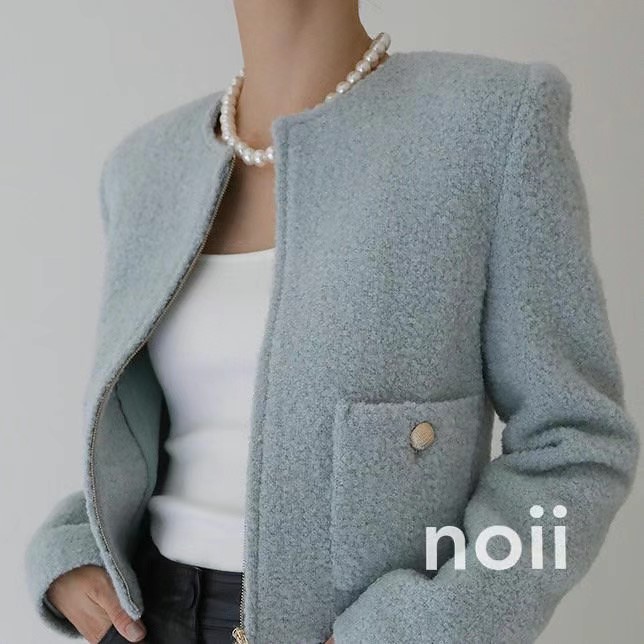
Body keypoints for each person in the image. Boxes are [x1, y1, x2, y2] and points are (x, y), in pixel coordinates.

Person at [25, 1, 639, 643]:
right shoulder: (143, 169)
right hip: (145, 614)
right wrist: (71, 545)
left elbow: (578, 445)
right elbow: (152, 435)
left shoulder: (490, 122)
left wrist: (425, 629)